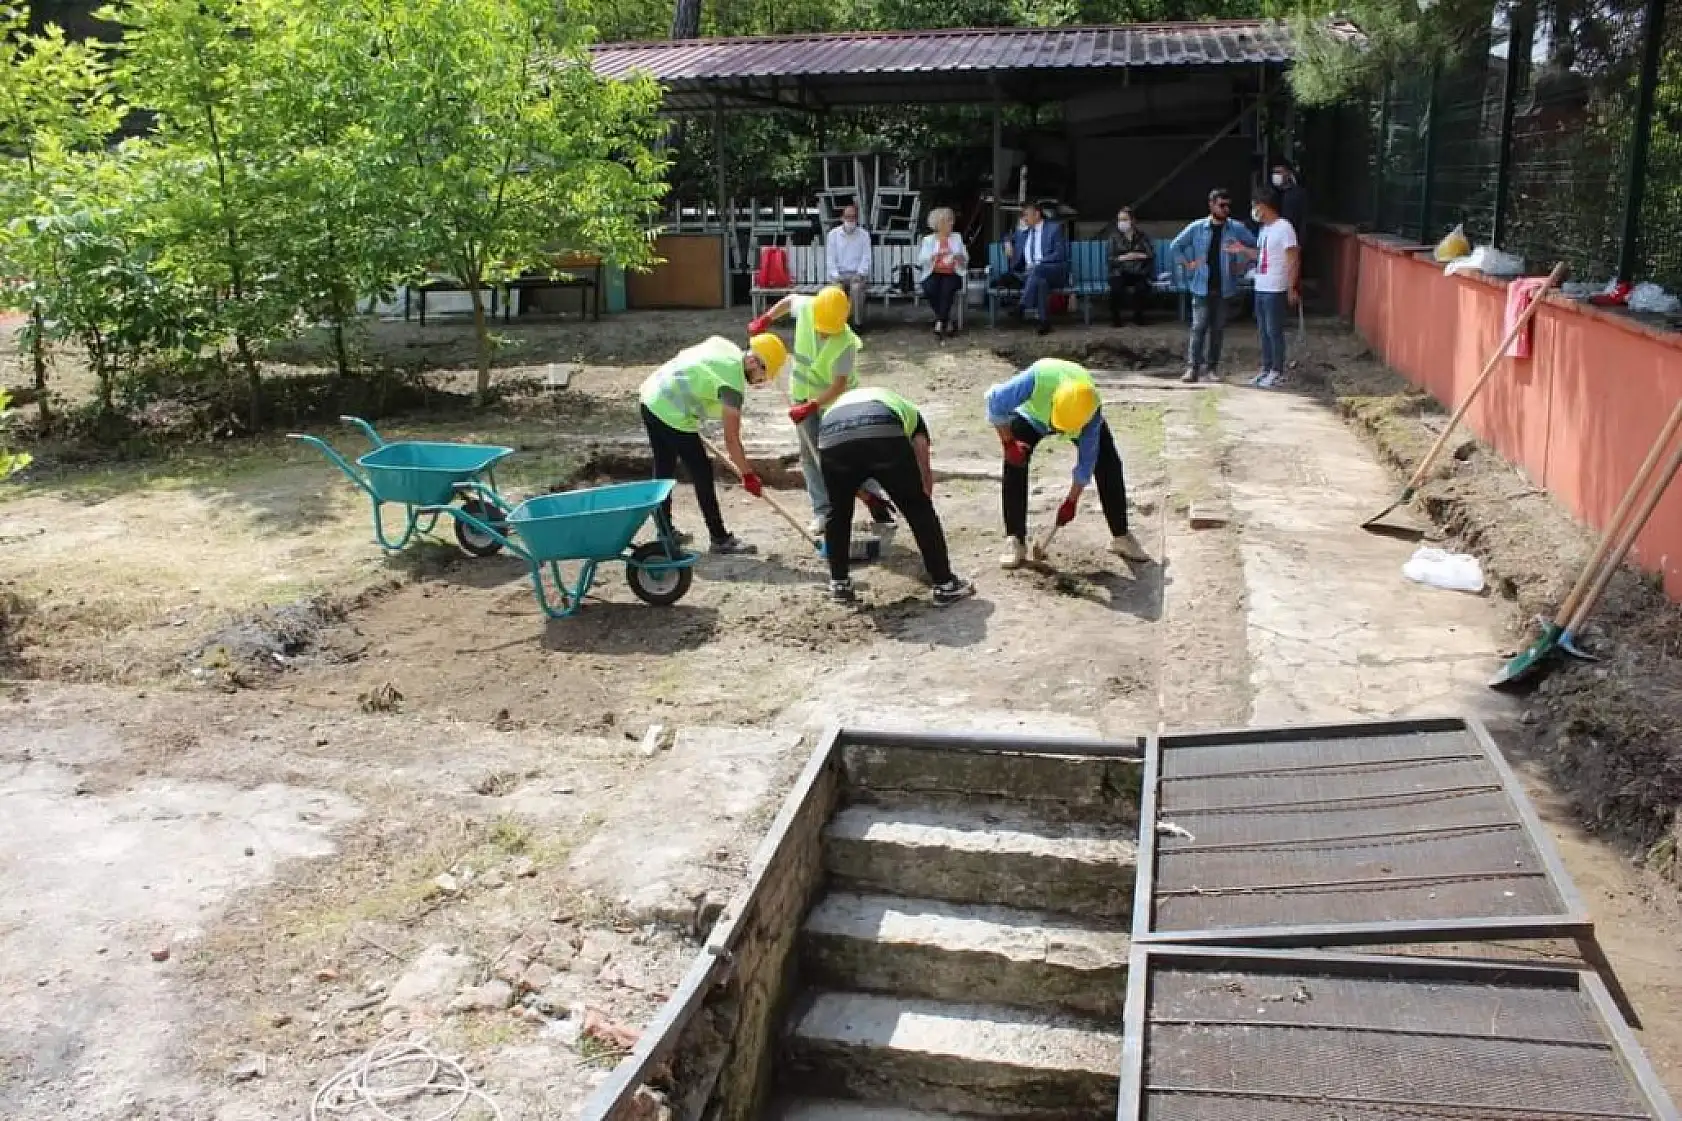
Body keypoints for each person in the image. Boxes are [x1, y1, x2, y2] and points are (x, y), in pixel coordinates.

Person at [750, 285, 896, 537]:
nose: (823, 334)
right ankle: (822, 511)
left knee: (844, 453)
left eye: (829, 332)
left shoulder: (847, 343)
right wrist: (765, 319)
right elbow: (788, 300)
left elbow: (839, 384)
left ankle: (872, 495)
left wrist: (813, 405)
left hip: (835, 402)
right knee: (809, 454)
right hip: (801, 394)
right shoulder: (808, 308)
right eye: (821, 329)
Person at [985, 358, 1150, 570]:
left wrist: (1071, 501)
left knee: (1108, 463)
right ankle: (1014, 539)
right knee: (1015, 463)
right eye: (1057, 427)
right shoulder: (1038, 377)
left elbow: (1086, 462)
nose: (1058, 433)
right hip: (1033, 415)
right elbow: (994, 402)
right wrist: (1009, 444)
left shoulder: (1090, 412)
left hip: (1076, 417)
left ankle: (1121, 536)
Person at [818, 386, 975, 608]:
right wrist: (921, 493)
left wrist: (862, 494)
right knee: (917, 507)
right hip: (881, 428)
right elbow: (921, 455)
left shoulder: (841, 405)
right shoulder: (912, 414)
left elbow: (843, 474)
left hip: (830, 434)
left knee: (838, 512)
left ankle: (840, 585)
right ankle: (945, 585)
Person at [638, 334, 785, 555]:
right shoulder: (732, 387)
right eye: (763, 376)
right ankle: (719, 538)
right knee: (702, 472)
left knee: (664, 468)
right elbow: (732, 439)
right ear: (754, 362)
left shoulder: (726, 346)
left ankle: (665, 533)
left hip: (651, 396)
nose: (760, 382)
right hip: (670, 412)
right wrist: (747, 475)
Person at [1168, 188, 1256, 384]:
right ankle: (1192, 368)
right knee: (1198, 327)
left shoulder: (1236, 228)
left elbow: (1256, 247)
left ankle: (1211, 368)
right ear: (1211, 205)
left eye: (1228, 206)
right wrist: (1188, 264)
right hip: (1201, 285)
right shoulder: (1198, 227)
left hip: (1225, 286)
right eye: (1221, 205)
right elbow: (1176, 246)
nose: (1225, 209)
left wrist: (1243, 264)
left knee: (1218, 329)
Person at [1240, 186, 1300, 389]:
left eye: (1256, 206)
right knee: (1263, 330)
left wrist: (1292, 287)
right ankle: (1266, 368)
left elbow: (1293, 258)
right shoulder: (1265, 229)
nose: (1254, 210)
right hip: (1261, 284)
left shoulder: (1284, 228)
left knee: (1274, 330)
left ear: (1265, 206)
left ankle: (1277, 371)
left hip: (1276, 287)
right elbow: (1261, 255)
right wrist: (1241, 250)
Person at [1003, 201, 1068, 336]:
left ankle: (1022, 307)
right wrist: (1008, 243)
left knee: (1038, 270)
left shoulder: (1054, 229)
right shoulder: (1024, 232)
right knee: (1040, 282)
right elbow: (1008, 236)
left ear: (1037, 214)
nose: (1024, 218)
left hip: (1053, 271)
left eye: (1026, 215)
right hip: (1031, 275)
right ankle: (1045, 323)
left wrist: (1040, 262)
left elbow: (1059, 253)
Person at [917, 207, 968, 338]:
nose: (952, 223)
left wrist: (959, 257)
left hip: (952, 273)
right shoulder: (928, 240)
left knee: (947, 288)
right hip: (933, 272)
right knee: (929, 288)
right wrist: (934, 255)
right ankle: (947, 320)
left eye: (952, 220)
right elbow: (921, 259)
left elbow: (966, 259)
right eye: (948, 221)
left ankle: (940, 321)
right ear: (939, 224)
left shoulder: (957, 237)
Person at [824, 203, 872, 327]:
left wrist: (860, 273)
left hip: (857, 274)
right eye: (848, 217)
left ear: (857, 219)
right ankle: (837, 324)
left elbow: (866, 257)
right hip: (839, 274)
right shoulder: (833, 235)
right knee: (836, 290)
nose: (850, 220)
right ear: (842, 218)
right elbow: (830, 258)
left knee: (856, 289)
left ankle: (857, 324)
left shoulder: (864, 235)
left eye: (853, 217)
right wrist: (835, 275)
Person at [1107, 206, 1155, 327]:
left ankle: (1138, 316)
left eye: (1124, 219)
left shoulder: (1142, 236)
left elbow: (1150, 255)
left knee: (1142, 287)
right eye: (1119, 220)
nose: (1121, 222)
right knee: (1116, 288)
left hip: (1138, 272)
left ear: (1132, 220)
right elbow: (1111, 259)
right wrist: (1127, 256)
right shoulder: (1114, 237)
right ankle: (1116, 318)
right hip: (1119, 272)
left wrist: (1136, 255)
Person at [1271, 161, 1309, 245]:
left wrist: (1300, 242)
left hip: (1291, 239)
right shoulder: (1270, 193)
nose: (1276, 175)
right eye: (1274, 172)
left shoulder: (1298, 194)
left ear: (1288, 173)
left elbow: (1302, 219)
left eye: (1279, 172)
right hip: (1273, 239)